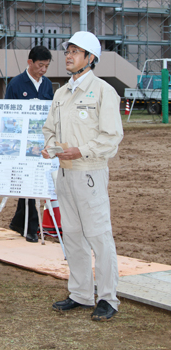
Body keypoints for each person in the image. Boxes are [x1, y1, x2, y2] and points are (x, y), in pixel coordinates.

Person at [42, 31, 123, 322]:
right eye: (68, 51)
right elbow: (49, 128)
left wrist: (82, 151)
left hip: (90, 173)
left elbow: (112, 137)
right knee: (73, 236)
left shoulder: (103, 91)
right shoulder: (61, 93)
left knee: (99, 237)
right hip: (64, 174)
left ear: (90, 58)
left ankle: (108, 298)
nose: (69, 55)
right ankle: (80, 294)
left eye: (75, 51)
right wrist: (50, 147)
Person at [6, 46, 53, 242]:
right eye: (40, 65)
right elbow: (8, 114)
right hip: (22, 143)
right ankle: (30, 226)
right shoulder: (16, 84)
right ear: (30, 62)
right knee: (27, 183)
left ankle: (20, 222)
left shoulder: (48, 84)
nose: (43, 70)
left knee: (36, 183)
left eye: (47, 66)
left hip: (41, 142)